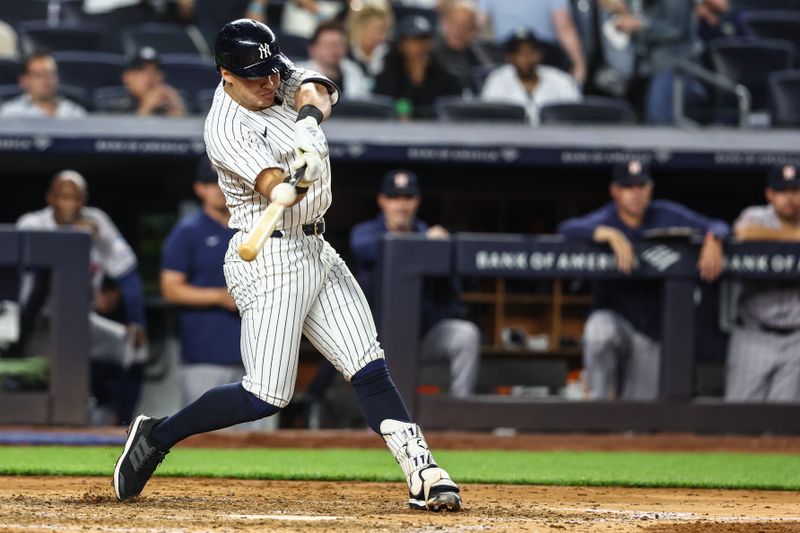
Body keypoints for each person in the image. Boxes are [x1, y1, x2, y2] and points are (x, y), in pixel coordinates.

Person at [112, 19, 461, 513]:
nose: (270, 83)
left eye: (271, 72)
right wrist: (292, 177)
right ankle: (157, 436)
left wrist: (308, 122)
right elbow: (274, 186)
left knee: (366, 362)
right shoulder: (225, 127)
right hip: (270, 256)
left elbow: (321, 89)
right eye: (256, 77)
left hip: (316, 245)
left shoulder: (272, 71)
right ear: (225, 75)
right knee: (265, 396)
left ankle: (422, 471)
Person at [558, 160, 729, 401]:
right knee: (598, 329)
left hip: (650, 332)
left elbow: (717, 224)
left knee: (640, 412)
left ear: (650, 188)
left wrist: (714, 238)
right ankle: (597, 405)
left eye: (641, 186)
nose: (635, 194)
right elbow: (567, 229)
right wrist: (607, 233)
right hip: (615, 320)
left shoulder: (665, 214)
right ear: (615, 191)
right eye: (628, 187)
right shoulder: (607, 218)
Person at [16, 170, 148, 424]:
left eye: (76, 198)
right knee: (41, 381)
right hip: (38, 323)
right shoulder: (32, 223)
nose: (70, 204)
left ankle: (122, 424)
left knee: (135, 349)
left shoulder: (97, 222)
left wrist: (137, 320)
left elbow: (128, 273)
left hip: (81, 321)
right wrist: (71, 237)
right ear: (50, 199)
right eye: (64, 198)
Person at [350, 169, 480, 397]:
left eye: (407, 198)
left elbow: (454, 290)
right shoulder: (366, 232)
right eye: (394, 198)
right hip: (378, 341)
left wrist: (439, 247)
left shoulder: (431, 234)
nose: (401, 205)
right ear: (382, 201)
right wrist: (423, 244)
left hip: (421, 335)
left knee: (465, 334)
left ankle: (460, 416)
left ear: (417, 201)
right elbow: (365, 250)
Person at [160, 157, 243, 409]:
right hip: (205, 354)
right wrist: (219, 297)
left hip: (256, 354)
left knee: (257, 443)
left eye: (225, 182)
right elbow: (171, 288)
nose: (219, 189)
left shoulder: (252, 228)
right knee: (206, 437)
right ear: (199, 188)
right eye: (211, 183)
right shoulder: (188, 231)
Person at [726, 164, 800, 403]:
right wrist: (793, 239)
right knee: (738, 423)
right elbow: (744, 232)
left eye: (796, 190)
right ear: (770, 194)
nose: (790, 198)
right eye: (782, 191)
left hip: (796, 340)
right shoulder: (756, 216)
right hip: (755, 334)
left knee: (783, 429)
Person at [481, 27, 581, 125]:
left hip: (556, 138)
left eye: (530, 52)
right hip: (509, 138)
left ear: (539, 55)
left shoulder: (561, 80)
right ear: (509, 57)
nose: (525, 58)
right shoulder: (497, 79)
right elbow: (488, 118)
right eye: (519, 53)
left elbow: (575, 115)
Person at [374, 14, 464, 119]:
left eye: (425, 39)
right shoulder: (387, 76)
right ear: (401, 44)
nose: (421, 45)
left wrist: (420, 78)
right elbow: (381, 108)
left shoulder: (444, 75)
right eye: (415, 39)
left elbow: (450, 110)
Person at [477, 0, 586, 83]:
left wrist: (579, 63)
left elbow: (564, 27)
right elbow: (564, 28)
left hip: (541, 57)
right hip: (507, 56)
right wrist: (579, 64)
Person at [298, 19, 372, 99]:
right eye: (328, 45)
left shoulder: (354, 71)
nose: (334, 50)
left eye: (339, 45)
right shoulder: (299, 75)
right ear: (312, 50)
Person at [0, 50, 87, 119]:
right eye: (39, 75)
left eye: (50, 73)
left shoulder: (73, 113)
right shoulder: (10, 114)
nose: (46, 79)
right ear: (24, 80)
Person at [432, 0, 495, 93]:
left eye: (465, 27)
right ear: (444, 24)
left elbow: (488, 75)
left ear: (474, 31)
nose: (458, 31)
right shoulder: (431, 53)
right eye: (454, 24)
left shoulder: (476, 52)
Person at [119, 47, 188, 117]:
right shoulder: (117, 107)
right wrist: (147, 108)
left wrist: (178, 107)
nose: (150, 76)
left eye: (155, 70)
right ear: (127, 77)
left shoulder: (168, 105)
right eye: (141, 70)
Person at [345, 4, 393, 78]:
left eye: (385, 31)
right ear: (360, 28)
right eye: (378, 30)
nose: (383, 37)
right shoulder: (345, 55)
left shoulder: (390, 54)